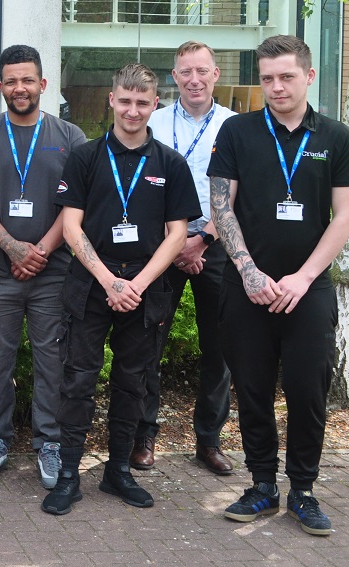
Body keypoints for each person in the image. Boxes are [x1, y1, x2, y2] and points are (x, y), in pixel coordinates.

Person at [209, 35, 349, 536]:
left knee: (306, 391)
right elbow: (220, 205)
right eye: (268, 78)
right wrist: (250, 272)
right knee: (252, 390)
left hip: (308, 290)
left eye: (287, 77)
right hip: (247, 287)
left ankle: (302, 490)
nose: (276, 87)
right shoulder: (237, 131)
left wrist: (303, 277)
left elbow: (345, 216)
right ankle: (261, 486)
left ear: (309, 77)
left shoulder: (336, 138)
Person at [41, 63, 199, 516]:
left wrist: (137, 284)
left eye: (142, 102)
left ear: (154, 105)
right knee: (77, 382)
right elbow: (70, 226)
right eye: (125, 101)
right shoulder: (86, 157)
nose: (133, 110)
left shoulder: (171, 163)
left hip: (146, 288)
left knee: (134, 383)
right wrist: (109, 281)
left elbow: (177, 234)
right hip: (92, 285)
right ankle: (69, 475)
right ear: (112, 100)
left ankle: (118, 473)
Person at [0, 44, 86, 489]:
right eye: (10, 81)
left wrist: (37, 250)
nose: (19, 88)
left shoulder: (70, 136)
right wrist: (12, 248)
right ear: (0, 87)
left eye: (27, 80)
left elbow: (78, 201)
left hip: (54, 273)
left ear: (43, 84)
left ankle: (50, 443)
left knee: (53, 360)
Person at [133, 41, 236, 475]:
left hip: (215, 247)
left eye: (202, 71)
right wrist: (173, 241)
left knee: (221, 349)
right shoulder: (153, 120)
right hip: (161, 247)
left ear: (215, 74)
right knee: (146, 344)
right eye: (185, 72)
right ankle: (144, 436)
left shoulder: (235, 126)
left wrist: (202, 240)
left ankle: (209, 441)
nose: (194, 79)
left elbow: (236, 189)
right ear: (174, 77)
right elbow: (138, 184)